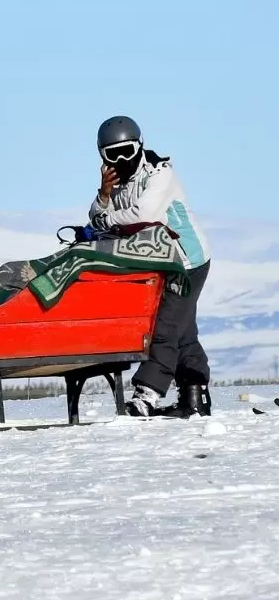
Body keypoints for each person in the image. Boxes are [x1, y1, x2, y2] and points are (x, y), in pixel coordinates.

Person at [89, 115, 213, 418]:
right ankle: (194, 396)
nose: (121, 160)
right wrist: (104, 196)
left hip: (185, 260)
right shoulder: (115, 184)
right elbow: (95, 218)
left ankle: (146, 395)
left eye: (127, 151)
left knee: (165, 328)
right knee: (183, 331)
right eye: (112, 154)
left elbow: (145, 211)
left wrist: (107, 219)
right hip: (157, 263)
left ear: (140, 146)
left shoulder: (160, 173)